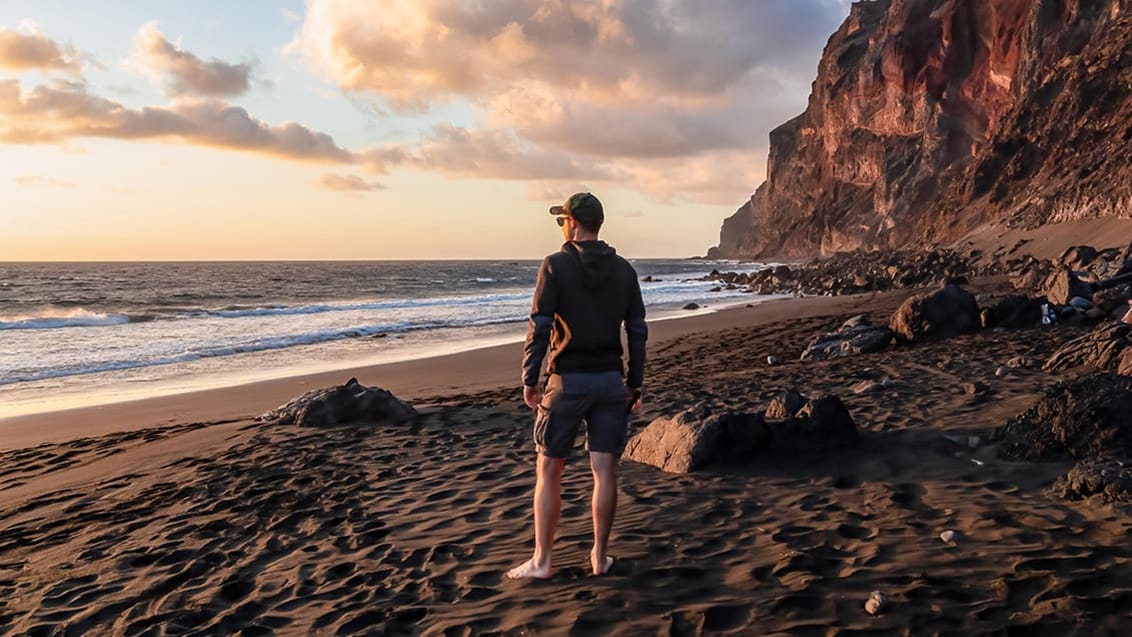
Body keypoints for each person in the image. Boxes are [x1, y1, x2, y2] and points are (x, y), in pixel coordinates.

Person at [507, 192, 648, 579]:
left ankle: (542, 561)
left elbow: (538, 327)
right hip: (609, 382)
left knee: (549, 471)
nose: (562, 227)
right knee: (605, 472)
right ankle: (600, 557)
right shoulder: (624, 271)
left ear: (572, 222)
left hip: (566, 382)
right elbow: (637, 330)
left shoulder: (555, 265)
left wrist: (529, 380)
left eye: (562, 220)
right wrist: (634, 383)